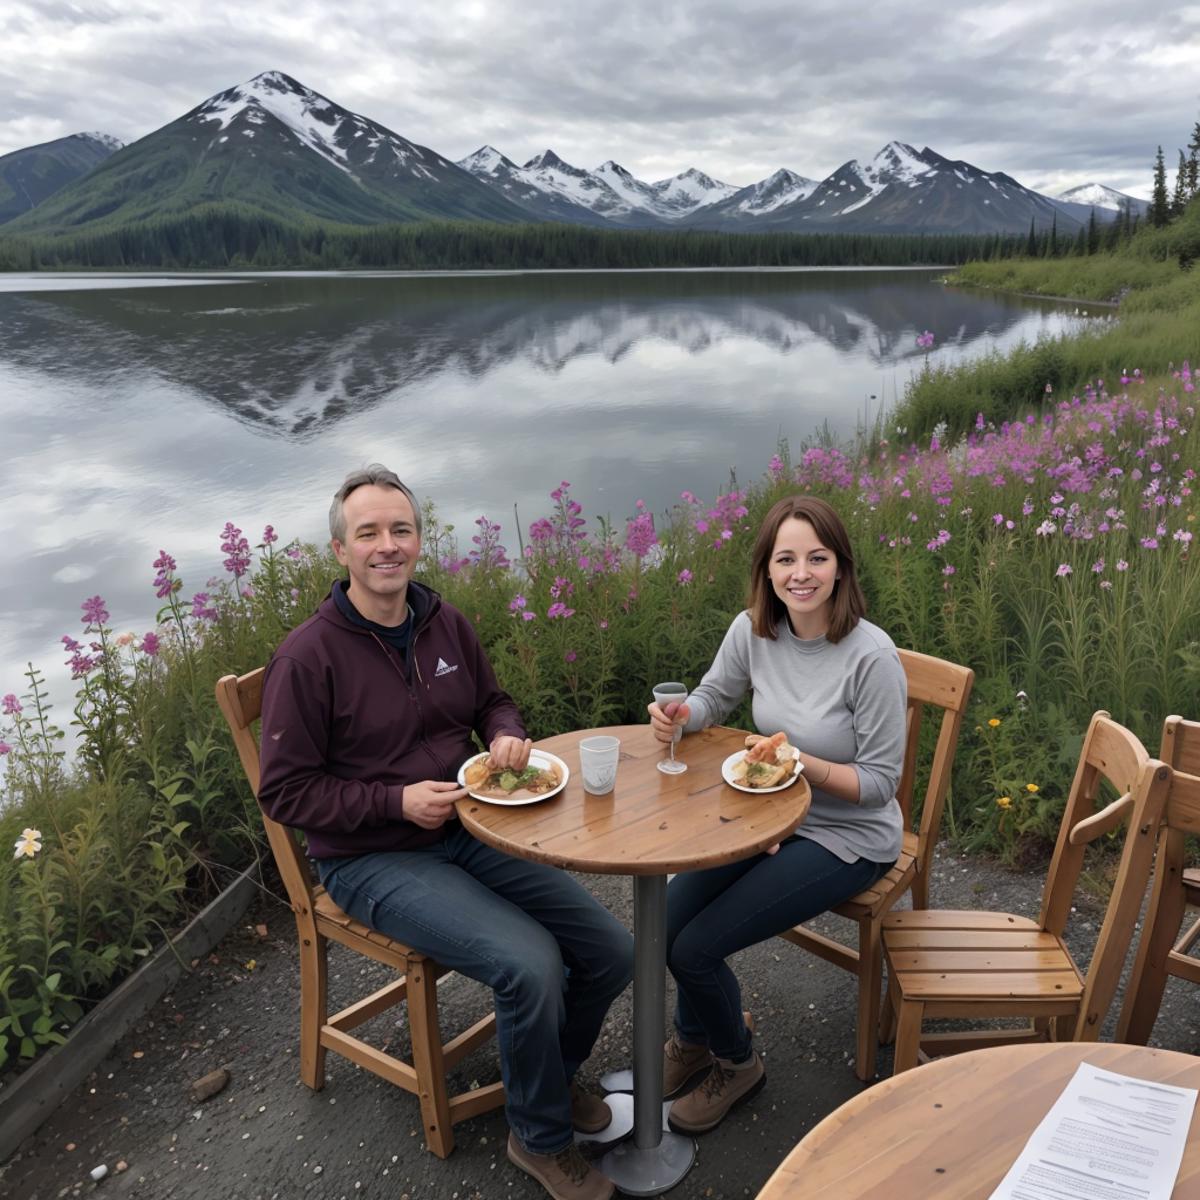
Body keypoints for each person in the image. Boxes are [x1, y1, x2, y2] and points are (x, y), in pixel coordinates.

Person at [258, 465, 633, 1200]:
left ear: (419, 540)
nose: (387, 546)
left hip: (465, 825)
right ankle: (540, 1135)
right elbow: (284, 792)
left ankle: (546, 1081)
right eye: (368, 533)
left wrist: (505, 738)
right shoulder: (309, 656)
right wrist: (395, 803)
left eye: (400, 529)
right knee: (528, 963)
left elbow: (494, 701)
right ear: (341, 550)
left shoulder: (443, 621)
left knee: (610, 950)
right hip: (370, 857)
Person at [647, 495, 906, 1133]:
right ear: (766, 570)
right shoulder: (754, 630)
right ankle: (698, 1036)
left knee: (697, 949)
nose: (801, 573)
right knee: (666, 922)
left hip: (848, 836)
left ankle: (737, 1063)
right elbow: (715, 693)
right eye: (785, 558)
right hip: (771, 817)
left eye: (817, 558)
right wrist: (685, 716)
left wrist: (802, 765)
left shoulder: (871, 657)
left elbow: (878, 784)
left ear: (841, 568)